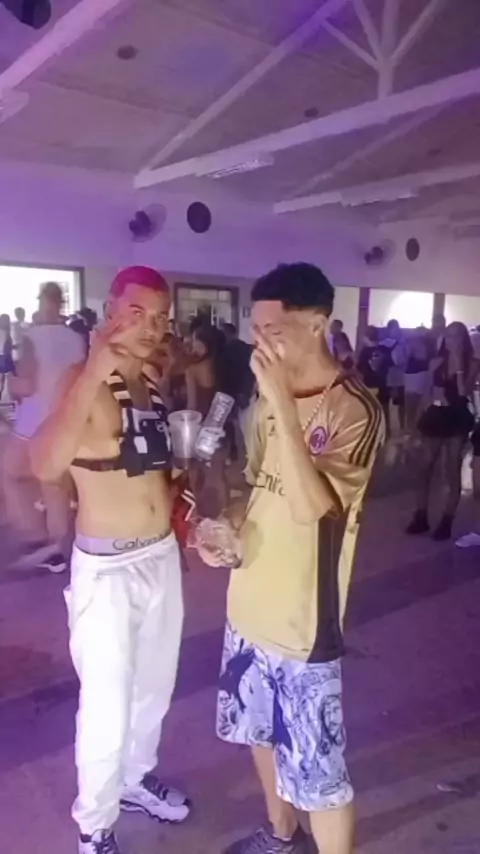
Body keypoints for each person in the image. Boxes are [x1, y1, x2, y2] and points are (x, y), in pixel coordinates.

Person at [199, 263, 385, 854]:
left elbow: (314, 508)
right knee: (259, 733)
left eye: (273, 331)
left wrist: (282, 400)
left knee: (319, 772)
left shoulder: (354, 410)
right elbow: (255, 486)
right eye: (255, 330)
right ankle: (281, 836)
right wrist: (228, 526)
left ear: (317, 325)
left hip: (303, 623)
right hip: (249, 603)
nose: (260, 344)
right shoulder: (261, 401)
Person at [29, 266, 190, 854]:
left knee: (154, 688)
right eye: (138, 313)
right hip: (108, 570)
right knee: (107, 706)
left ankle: (134, 780)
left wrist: (188, 509)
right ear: (110, 312)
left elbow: (153, 474)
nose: (151, 328)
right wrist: (96, 367)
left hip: (160, 556)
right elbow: (45, 464)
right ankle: (94, 826)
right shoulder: (82, 380)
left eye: (161, 318)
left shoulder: (150, 380)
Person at [4, 283, 85, 571]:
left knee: (9, 473)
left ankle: (35, 535)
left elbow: (27, 385)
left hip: (33, 421)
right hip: (64, 418)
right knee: (53, 482)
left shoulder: (31, 337)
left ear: (42, 302)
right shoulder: (77, 338)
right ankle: (57, 549)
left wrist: (8, 383)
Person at [406, 322, 475, 541]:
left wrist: (459, 366)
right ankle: (421, 515)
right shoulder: (436, 361)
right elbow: (428, 392)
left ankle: (447, 520)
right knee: (425, 466)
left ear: (464, 339)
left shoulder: (472, 362)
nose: (452, 340)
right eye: (449, 336)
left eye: (457, 336)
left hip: (458, 416)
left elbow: (464, 391)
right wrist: (416, 423)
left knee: (451, 468)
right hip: (436, 414)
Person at [186, 323, 231, 515]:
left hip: (202, 428)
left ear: (204, 344)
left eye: (195, 341)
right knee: (218, 474)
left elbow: (192, 405)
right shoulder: (225, 367)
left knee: (195, 473)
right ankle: (225, 514)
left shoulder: (193, 370)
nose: (192, 345)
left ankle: (196, 513)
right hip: (224, 426)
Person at [356, 325, 390, 419]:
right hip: (383, 382)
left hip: (368, 383)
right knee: (384, 408)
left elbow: (360, 368)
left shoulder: (364, 352)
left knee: (369, 409)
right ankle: (387, 427)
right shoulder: (384, 349)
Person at [382, 319, 407, 433]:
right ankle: (386, 427)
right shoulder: (382, 344)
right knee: (385, 403)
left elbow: (406, 357)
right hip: (386, 376)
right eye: (393, 328)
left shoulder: (403, 343)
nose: (396, 330)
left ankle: (402, 426)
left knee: (401, 403)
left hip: (400, 376)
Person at [403, 331, 432, 432]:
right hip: (422, 374)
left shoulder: (413, 343)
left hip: (413, 377)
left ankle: (412, 429)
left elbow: (405, 357)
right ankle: (416, 430)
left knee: (411, 407)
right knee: (419, 406)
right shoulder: (430, 345)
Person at [0, 313, 14, 399]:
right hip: (4, 358)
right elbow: (7, 348)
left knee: (2, 380)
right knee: (3, 380)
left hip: (3, 357)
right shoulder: (6, 333)